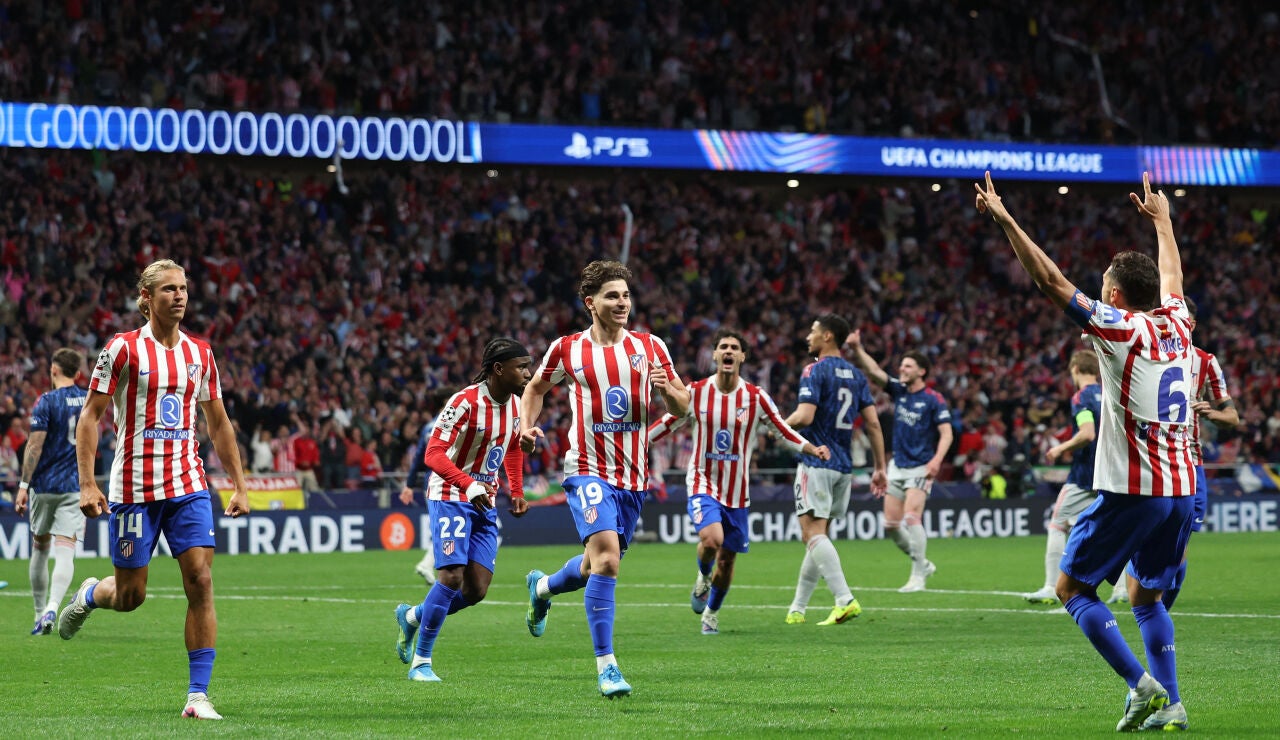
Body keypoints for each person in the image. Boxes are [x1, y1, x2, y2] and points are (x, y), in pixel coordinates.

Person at [976, 172, 1196, 731]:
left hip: (1135, 489)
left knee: (1071, 588)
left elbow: (1050, 280)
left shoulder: (1118, 327)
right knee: (1146, 600)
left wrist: (1006, 220)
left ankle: (1140, 686)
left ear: (1117, 296)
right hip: (1180, 489)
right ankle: (1172, 703)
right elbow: (1171, 274)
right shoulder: (1179, 321)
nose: (1098, 290)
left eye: (1103, 283)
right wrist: (1164, 223)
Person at [57, 259, 250, 721]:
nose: (179, 296)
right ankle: (90, 594)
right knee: (131, 597)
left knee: (200, 581)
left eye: (183, 288)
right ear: (147, 299)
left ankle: (198, 696)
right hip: (133, 489)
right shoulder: (122, 350)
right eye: (168, 290)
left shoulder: (201, 354)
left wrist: (239, 485)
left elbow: (218, 422)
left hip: (188, 483)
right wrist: (87, 483)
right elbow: (90, 416)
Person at [519, 259, 690, 698]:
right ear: (590, 302)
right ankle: (607, 667)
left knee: (595, 564)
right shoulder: (567, 349)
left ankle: (541, 587)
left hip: (633, 478)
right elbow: (535, 388)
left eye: (627, 296)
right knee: (608, 560)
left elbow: (683, 407)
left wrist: (666, 391)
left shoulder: (651, 347)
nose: (622, 303)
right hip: (586, 469)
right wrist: (525, 426)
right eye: (613, 296)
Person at [647, 329, 831, 635]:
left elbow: (782, 430)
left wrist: (811, 448)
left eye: (734, 347)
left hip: (737, 492)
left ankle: (711, 613)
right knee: (711, 540)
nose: (729, 351)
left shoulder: (756, 397)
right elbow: (667, 423)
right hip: (703, 481)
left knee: (728, 561)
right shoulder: (696, 392)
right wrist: (636, 442)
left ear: (742, 357)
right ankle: (702, 576)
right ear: (716, 356)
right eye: (723, 347)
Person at [393, 338, 532, 682]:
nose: (528, 374)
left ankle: (412, 618)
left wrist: (516, 489)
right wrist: (468, 483)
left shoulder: (516, 406)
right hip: (451, 493)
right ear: (499, 369)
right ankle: (421, 662)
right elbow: (433, 454)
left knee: (476, 590)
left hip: (484, 499)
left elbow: (513, 447)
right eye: (522, 367)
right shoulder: (465, 402)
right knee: (451, 576)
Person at [782, 314, 888, 625]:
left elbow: (804, 416)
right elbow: (872, 423)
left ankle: (844, 599)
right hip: (844, 467)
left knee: (811, 533)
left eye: (813, 331)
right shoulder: (856, 375)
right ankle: (797, 609)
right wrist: (880, 467)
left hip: (817, 460)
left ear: (827, 336)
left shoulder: (814, 370)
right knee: (819, 535)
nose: (808, 337)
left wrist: (773, 427)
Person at [846, 334, 953, 592]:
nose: (901, 370)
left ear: (921, 371)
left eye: (907, 366)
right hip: (898, 465)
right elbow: (873, 371)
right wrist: (858, 348)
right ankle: (924, 562)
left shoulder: (933, 399)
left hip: (921, 465)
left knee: (912, 517)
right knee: (891, 525)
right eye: (901, 366)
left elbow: (947, 433)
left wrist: (937, 460)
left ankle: (918, 576)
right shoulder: (900, 391)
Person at [1163, 296, 1239, 610]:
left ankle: (1157, 612)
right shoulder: (1151, 352)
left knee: (1179, 550)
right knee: (1146, 537)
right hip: (1153, 458)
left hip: (1190, 463)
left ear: (1190, 324)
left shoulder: (1205, 362)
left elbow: (1232, 418)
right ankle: (1146, 605)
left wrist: (1210, 412)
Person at [15, 348, 87, 635]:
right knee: (66, 550)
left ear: (54, 370)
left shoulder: (46, 401)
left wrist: (23, 486)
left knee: (41, 548)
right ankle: (53, 607)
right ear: (78, 373)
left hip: (44, 486)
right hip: (75, 484)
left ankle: (38, 613)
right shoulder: (88, 399)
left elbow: (34, 445)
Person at [1023, 349, 1103, 604]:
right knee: (1108, 531)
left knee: (1057, 524)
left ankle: (1049, 586)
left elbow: (1087, 433)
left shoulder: (1081, 398)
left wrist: (1060, 448)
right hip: (1111, 474)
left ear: (1076, 370)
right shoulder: (1111, 395)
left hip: (1083, 475)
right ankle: (1123, 590)